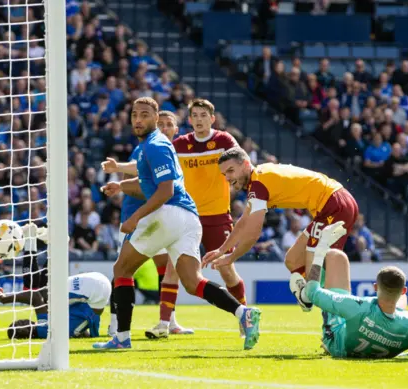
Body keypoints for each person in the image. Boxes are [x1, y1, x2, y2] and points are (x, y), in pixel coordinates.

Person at [94, 97, 260, 350]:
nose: (138, 119)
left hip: (170, 213)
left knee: (121, 270)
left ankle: (121, 337)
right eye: (135, 115)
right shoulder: (165, 146)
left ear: (156, 118)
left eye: (145, 115)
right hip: (189, 218)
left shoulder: (155, 145)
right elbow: (148, 184)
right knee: (193, 282)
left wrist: (134, 218)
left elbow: (165, 191)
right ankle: (243, 313)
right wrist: (121, 186)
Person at [202, 147, 359, 313]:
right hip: (332, 203)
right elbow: (244, 222)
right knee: (292, 260)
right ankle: (313, 297)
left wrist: (231, 257)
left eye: (231, 171)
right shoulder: (258, 179)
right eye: (224, 174)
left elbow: (253, 233)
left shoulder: (258, 185)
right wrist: (222, 250)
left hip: (334, 204)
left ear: (246, 164)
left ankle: (339, 320)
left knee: (325, 265)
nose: (227, 178)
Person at [288, 222, 408, 359]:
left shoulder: (358, 307)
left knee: (336, 256)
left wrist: (321, 248)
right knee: (399, 308)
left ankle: (303, 299)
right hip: (387, 331)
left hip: (337, 344)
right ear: (403, 290)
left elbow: (313, 291)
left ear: (375, 288)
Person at [102, 110, 193, 338]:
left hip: (161, 216)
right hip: (138, 215)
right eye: (159, 123)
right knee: (124, 267)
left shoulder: (167, 150)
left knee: (168, 267)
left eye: (168, 124)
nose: (163, 127)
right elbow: (137, 170)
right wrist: (119, 168)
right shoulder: (148, 146)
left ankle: (169, 319)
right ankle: (114, 322)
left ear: (176, 129)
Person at [1, 271, 112, 340]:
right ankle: (115, 327)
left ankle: (114, 327)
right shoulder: (43, 325)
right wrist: (6, 298)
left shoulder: (44, 329)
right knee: (52, 300)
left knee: (77, 326)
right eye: (19, 322)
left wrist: (6, 299)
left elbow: (35, 296)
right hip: (93, 278)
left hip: (98, 291)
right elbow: (35, 296)